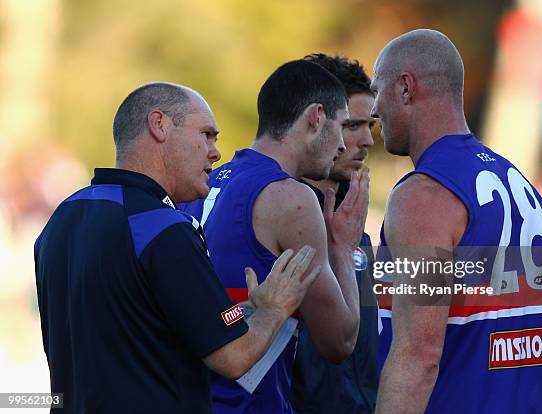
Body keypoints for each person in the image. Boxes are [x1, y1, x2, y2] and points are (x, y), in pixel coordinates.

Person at [34, 82, 321, 414]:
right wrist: (273, 308)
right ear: (159, 125)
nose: (215, 152)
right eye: (206, 135)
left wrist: (240, 314)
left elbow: (129, 326)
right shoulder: (162, 227)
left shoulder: (62, 218)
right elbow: (234, 355)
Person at [370, 30, 542, 413]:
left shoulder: (423, 196)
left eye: (377, 90)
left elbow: (419, 357)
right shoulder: (521, 186)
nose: (375, 110)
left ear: (405, 88)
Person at [180, 60, 369, 413]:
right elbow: (339, 341)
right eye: (343, 126)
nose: (343, 145)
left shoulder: (202, 185)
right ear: (315, 117)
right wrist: (343, 248)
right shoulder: (290, 198)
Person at [290, 53, 378, 414]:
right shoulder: (280, 214)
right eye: (353, 125)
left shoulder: (354, 221)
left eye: (372, 125)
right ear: (317, 121)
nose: (368, 140)